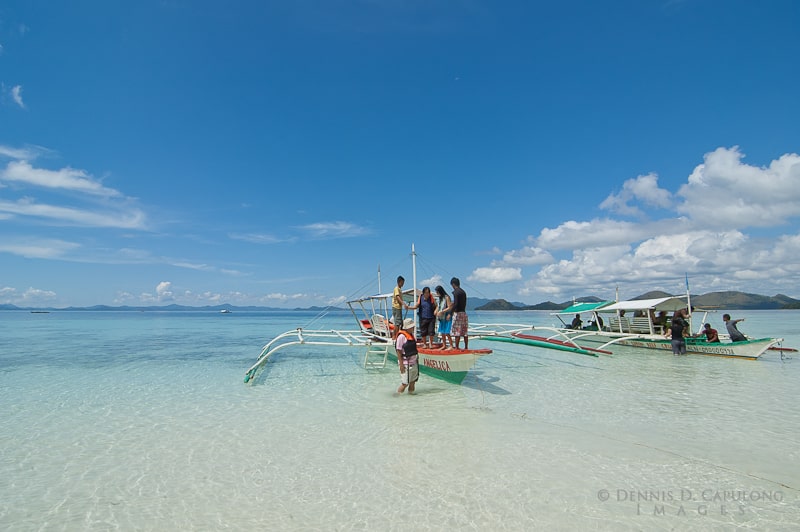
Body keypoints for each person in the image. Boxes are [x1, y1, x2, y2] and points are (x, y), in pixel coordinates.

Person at [395, 318, 419, 394]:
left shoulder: (411, 336)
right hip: (406, 363)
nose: (413, 328)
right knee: (405, 383)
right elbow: (398, 351)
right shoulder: (401, 337)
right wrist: (401, 365)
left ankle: (411, 397)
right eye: (411, 327)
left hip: (413, 362)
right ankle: (397, 396)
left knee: (413, 381)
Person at [445, 277, 469, 349]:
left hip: (458, 313)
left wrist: (450, 313)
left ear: (453, 284)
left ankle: (457, 347)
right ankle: (466, 347)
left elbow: (456, 304)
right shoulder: (463, 292)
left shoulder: (456, 292)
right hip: (464, 313)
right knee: (464, 331)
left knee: (457, 331)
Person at [434, 285, 453, 349]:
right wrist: (436, 311)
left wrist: (442, 311)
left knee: (447, 332)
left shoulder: (447, 297)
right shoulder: (440, 299)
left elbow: (450, 307)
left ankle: (451, 345)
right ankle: (444, 345)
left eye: (437, 292)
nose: (437, 293)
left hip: (446, 316)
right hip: (441, 318)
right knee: (442, 332)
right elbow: (438, 307)